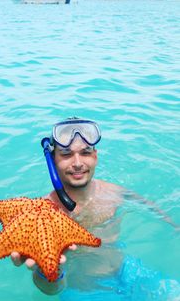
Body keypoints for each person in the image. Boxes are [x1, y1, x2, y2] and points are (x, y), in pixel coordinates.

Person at [11, 117, 180, 298]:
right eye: (66, 154)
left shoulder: (115, 192)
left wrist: (174, 226)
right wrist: (47, 272)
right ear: (52, 161)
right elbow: (52, 290)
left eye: (85, 153)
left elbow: (148, 206)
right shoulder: (43, 215)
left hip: (127, 271)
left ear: (95, 156)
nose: (77, 163)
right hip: (86, 290)